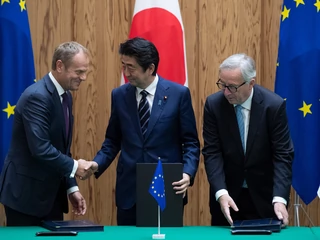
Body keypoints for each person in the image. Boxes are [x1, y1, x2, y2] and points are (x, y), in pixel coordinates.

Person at [91, 37, 200, 225]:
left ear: (150, 68)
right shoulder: (119, 95)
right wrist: (96, 164)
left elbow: (190, 142)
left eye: (130, 67)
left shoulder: (178, 94)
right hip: (129, 190)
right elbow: (112, 141)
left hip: (166, 187)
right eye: (123, 66)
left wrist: (187, 173)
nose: (125, 73)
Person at [0, 41, 98, 226]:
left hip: (51, 197)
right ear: (60, 66)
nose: (84, 77)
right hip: (26, 197)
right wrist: (76, 166)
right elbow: (41, 148)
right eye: (78, 72)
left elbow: (61, 148)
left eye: (85, 71)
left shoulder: (65, 96)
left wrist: (71, 188)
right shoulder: (37, 97)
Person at [202, 53, 294, 226]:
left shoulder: (273, 106)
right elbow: (212, 152)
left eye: (232, 87)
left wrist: (280, 198)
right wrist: (221, 192)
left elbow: (283, 154)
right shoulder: (214, 105)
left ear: (251, 83)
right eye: (222, 85)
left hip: (265, 198)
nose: (226, 92)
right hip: (227, 199)